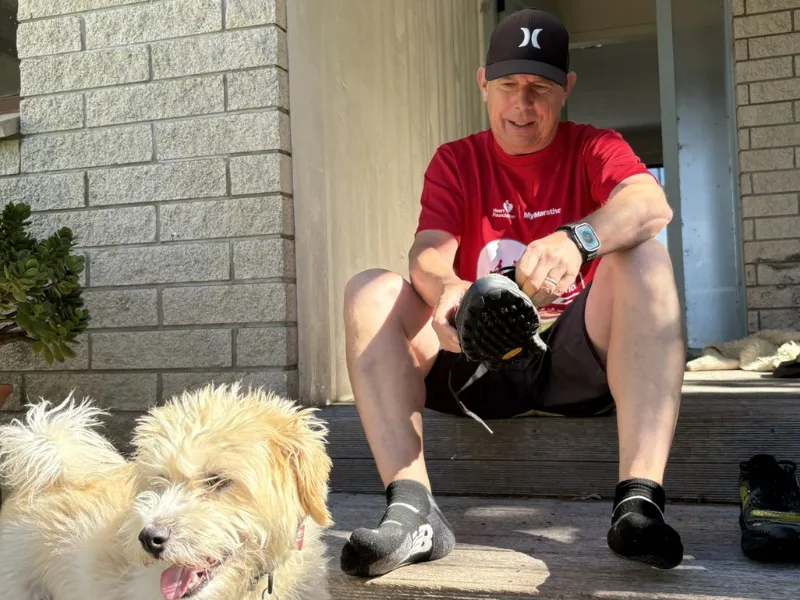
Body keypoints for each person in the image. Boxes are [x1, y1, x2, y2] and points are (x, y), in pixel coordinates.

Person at [340, 8, 686, 577]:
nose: (522, 104)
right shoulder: (457, 159)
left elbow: (651, 204)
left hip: (572, 362)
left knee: (645, 251)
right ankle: (412, 509)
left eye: (540, 87)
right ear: (483, 84)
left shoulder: (593, 146)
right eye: (508, 86)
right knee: (367, 290)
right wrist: (450, 290)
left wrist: (580, 238)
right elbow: (427, 248)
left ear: (566, 88)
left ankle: (639, 501)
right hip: (473, 359)